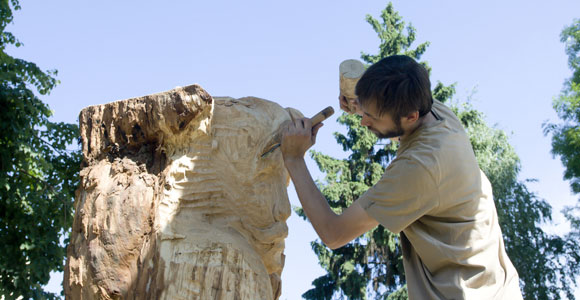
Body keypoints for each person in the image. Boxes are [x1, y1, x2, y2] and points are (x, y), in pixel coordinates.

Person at [280, 55, 523, 299]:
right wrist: (362, 102)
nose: (363, 121)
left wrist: (294, 159)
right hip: (496, 286)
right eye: (364, 112)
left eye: (371, 117)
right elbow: (397, 120)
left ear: (410, 117)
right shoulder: (435, 112)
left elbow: (333, 233)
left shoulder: (419, 168)